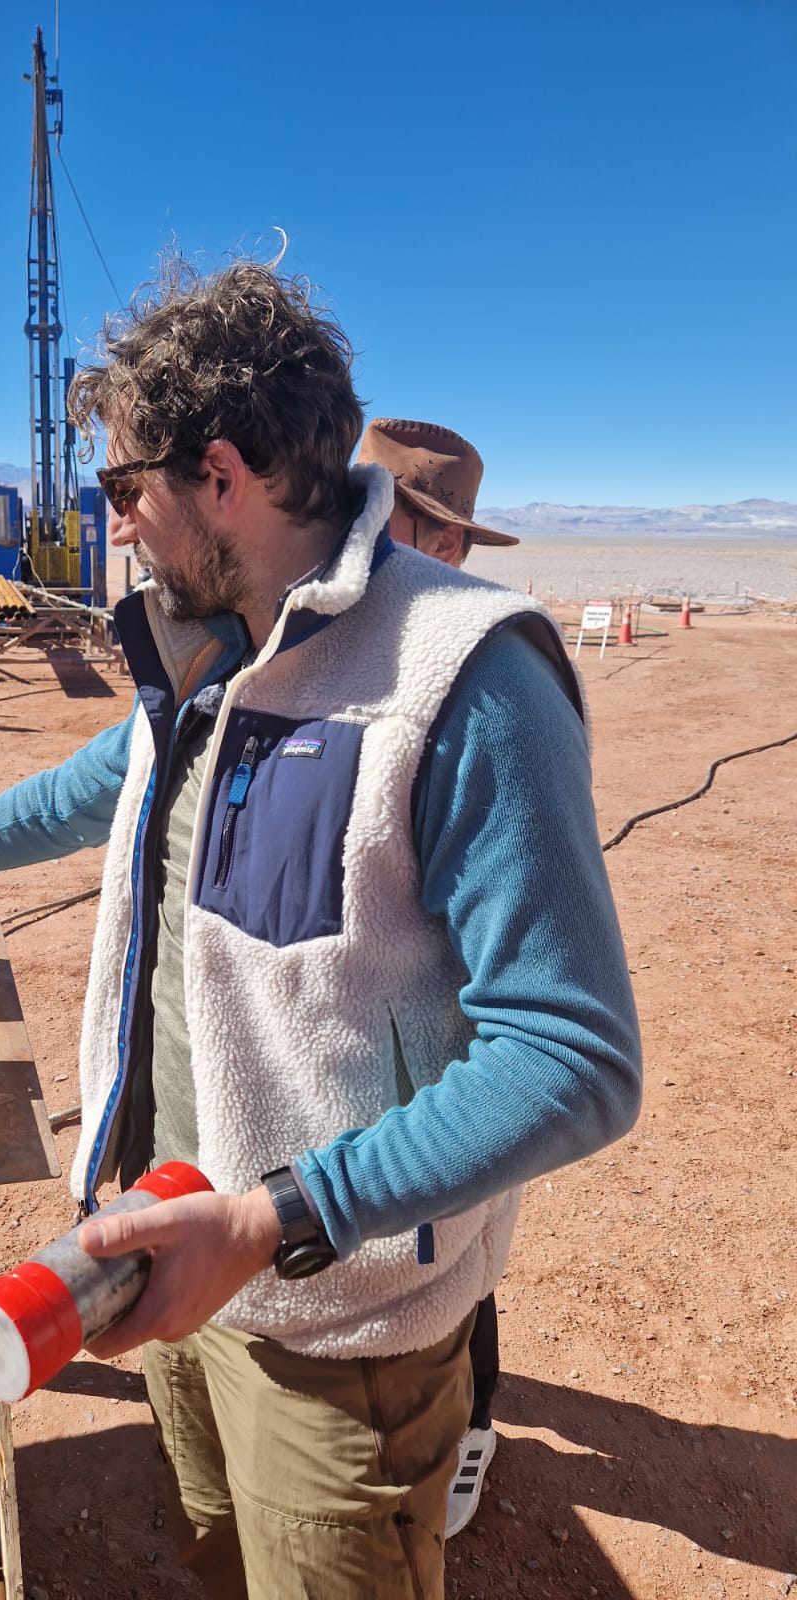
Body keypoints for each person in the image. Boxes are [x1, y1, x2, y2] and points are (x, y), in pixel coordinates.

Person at [0, 258, 641, 1600]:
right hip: (168, 1252)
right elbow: (81, 793)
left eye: (124, 489)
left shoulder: (465, 673)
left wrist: (274, 1216)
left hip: (334, 1323)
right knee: (220, 1557)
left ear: (222, 474)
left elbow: (571, 1057)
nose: (115, 524)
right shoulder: (203, 647)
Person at [355, 418, 518, 1537]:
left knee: (463, 1252)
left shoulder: (486, 674)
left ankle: (475, 1426)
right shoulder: (330, 637)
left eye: (374, 515)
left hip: (451, 1049)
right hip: (363, 1042)